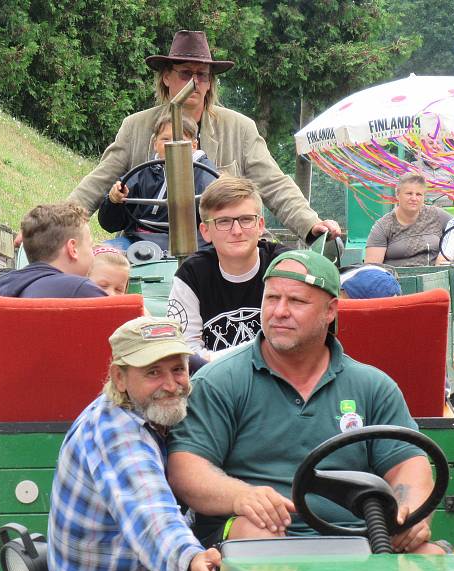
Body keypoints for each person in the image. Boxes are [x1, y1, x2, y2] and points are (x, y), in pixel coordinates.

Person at [167, 250, 444, 555]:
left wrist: (409, 513)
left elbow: (409, 466)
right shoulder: (221, 380)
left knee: (428, 558)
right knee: (259, 534)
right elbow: (186, 468)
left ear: (330, 311)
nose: (279, 311)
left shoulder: (372, 386)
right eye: (272, 299)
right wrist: (242, 496)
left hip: (359, 536)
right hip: (251, 530)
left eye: (296, 301)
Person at [66, 30, 341, 243]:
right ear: (166, 77)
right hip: (145, 242)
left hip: (219, 246)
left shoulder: (239, 128)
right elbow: (96, 184)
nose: (194, 83)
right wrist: (53, 229)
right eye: (186, 73)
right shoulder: (136, 127)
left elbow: (275, 185)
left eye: (203, 75)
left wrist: (310, 224)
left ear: (210, 82)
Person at [47, 316, 221, 571]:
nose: (170, 384)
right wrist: (190, 561)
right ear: (120, 377)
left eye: (178, 369)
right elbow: (150, 513)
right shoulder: (117, 433)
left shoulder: (148, 409)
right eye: (153, 373)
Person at [166, 176, 289, 361]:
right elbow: (185, 355)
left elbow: (296, 342)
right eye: (223, 221)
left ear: (260, 225)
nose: (237, 230)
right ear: (205, 231)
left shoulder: (285, 265)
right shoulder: (191, 275)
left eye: (246, 219)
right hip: (214, 383)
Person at [97, 111, 218, 251]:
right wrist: (114, 200)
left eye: (180, 140)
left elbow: (216, 220)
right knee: (100, 254)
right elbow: (110, 224)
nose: (172, 145)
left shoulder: (206, 177)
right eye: (165, 139)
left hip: (191, 246)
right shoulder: (142, 174)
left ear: (193, 145)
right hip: (138, 242)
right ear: (155, 144)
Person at [0, 203, 106, 298]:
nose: (93, 254)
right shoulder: (82, 290)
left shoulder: (4, 289)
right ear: (73, 249)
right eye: (90, 245)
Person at [365, 173, 451, 266]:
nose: (414, 198)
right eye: (409, 193)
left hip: (435, 278)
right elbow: (372, 269)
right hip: (396, 279)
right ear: (397, 194)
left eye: (418, 194)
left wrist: (445, 255)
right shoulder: (383, 226)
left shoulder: (436, 215)